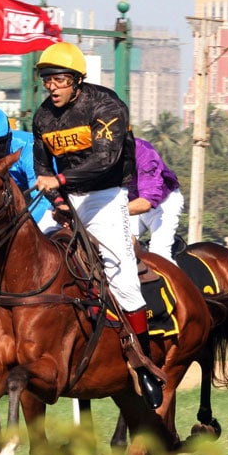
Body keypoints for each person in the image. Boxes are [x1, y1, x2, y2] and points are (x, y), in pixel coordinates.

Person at [32, 42, 163, 409]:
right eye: (47, 81)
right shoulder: (42, 117)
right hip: (68, 200)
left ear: (76, 80)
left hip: (106, 197)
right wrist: (58, 201)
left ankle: (144, 363)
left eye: (58, 80)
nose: (52, 87)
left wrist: (59, 183)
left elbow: (106, 161)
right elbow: (42, 166)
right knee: (36, 260)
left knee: (121, 273)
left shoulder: (106, 106)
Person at [0, 105, 56, 235]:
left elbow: (41, 201)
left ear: (6, 140)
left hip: (51, 199)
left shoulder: (28, 149)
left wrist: (14, 230)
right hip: (12, 200)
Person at [128, 138, 184, 263]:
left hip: (163, 205)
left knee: (159, 254)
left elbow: (146, 202)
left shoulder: (143, 150)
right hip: (131, 207)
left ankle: (181, 281)